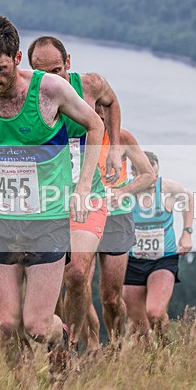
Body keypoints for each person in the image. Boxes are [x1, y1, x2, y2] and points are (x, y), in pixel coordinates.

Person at [0, 15, 104, 378]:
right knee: (7, 324)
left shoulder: (49, 90)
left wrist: (83, 186)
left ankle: (64, 342)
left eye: (0, 68)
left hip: (46, 220)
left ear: (17, 58)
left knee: (38, 326)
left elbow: (95, 125)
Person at [26, 35, 121, 354]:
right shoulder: (27, 95)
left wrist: (114, 148)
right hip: (48, 202)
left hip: (89, 195)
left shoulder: (90, 85)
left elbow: (112, 103)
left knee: (78, 274)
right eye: (45, 73)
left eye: (58, 70)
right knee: (52, 289)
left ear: (69, 61)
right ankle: (64, 347)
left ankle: (75, 346)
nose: (53, 79)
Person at [122, 151, 194, 346]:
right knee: (139, 325)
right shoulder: (125, 191)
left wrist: (187, 232)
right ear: (134, 174)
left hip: (163, 259)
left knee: (154, 312)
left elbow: (188, 197)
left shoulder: (167, 189)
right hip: (133, 261)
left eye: (155, 176)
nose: (152, 182)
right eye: (146, 177)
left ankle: (165, 345)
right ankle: (151, 360)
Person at [95, 113, 154, 346]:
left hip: (116, 219)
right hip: (81, 216)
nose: (99, 112)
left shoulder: (122, 137)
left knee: (110, 298)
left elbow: (148, 175)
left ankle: (115, 342)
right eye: (93, 105)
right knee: (76, 281)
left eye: (104, 107)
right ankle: (82, 346)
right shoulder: (72, 134)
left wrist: (123, 192)